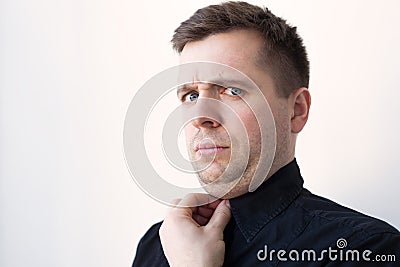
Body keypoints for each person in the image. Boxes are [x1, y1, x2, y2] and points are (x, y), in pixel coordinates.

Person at [133, 2, 400, 266]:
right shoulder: (155, 247)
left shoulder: (366, 250)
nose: (200, 116)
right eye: (191, 95)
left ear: (296, 110)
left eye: (232, 90)